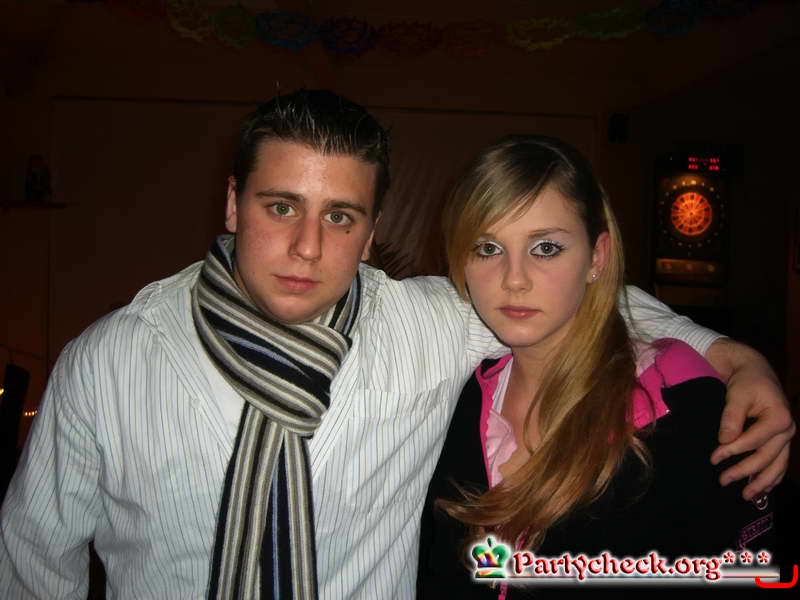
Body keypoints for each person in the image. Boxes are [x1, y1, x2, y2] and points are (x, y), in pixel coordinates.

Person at [0, 90, 793, 600]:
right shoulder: (107, 364)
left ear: (373, 231)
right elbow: (34, 568)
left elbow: (569, 297)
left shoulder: (425, 325)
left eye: (340, 217)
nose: (307, 246)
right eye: (281, 206)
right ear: (234, 203)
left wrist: (729, 355)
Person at [417, 135, 784, 598]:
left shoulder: (682, 401)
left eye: (545, 248)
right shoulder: (457, 398)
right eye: (488, 248)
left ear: (597, 255)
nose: (514, 279)